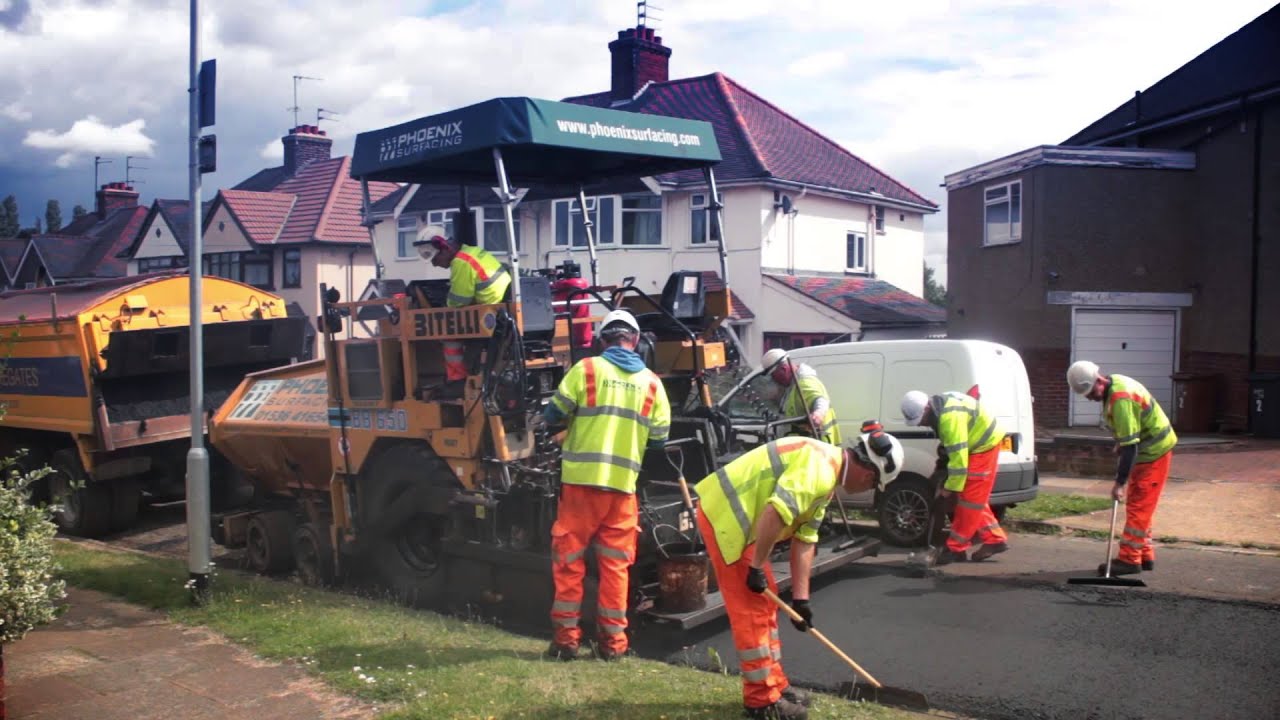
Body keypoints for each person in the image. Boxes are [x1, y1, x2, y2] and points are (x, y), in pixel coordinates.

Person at [694, 428, 903, 720]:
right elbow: (774, 513)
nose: (868, 489)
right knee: (752, 609)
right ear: (869, 474)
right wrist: (755, 568)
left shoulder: (827, 476)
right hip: (727, 518)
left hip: (744, 524)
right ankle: (762, 703)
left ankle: (776, 686)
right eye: (873, 484)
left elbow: (805, 541)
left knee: (767, 602)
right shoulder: (818, 469)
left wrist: (801, 600)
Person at [542, 309, 671, 661]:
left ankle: (567, 642)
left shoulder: (585, 371)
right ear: (636, 341)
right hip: (622, 489)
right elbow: (659, 441)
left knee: (569, 561)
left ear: (603, 339)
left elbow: (553, 415)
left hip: (581, 486)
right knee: (616, 566)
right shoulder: (653, 384)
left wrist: (572, 429)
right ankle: (614, 645)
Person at [1067, 360, 1178, 575]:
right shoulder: (1115, 384)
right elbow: (1131, 429)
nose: (1089, 398)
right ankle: (1145, 555)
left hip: (1153, 454)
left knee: (1138, 507)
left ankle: (1129, 560)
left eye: (1090, 392)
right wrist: (1121, 439)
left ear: (1099, 381)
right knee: (1141, 506)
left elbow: (1130, 448)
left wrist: (1119, 484)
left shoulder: (1120, 398)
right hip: (1148, 453)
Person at [901, 389, 1009, 564]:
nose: (921, 424)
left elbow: (959, 465)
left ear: (927, 408)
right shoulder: (941, 406)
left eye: (920, 420)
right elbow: (952, 451)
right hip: (978, 444)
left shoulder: (948, 420)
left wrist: (948, 489)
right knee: (974, 500)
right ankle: (994, 539)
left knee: (969, 500)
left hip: (983, 447)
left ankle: (955, 549)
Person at [413, 224, 512, 389]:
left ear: (444, 249)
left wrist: (444, 306)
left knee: (448, 332)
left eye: (435, 259)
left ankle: (457, 381)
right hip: (499, 306)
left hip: (490, 315)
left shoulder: (461, 263)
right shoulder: (471, 251)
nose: (435, 265)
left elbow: (458, 302)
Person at [761, 348, 841, 446]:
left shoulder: (804, 382)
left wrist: (818, 414)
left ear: (784, 369)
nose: (774, 380)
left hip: (817, 447)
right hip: (806, 446)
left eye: (774, 376)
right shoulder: (793, 385)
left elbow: (821, 400)